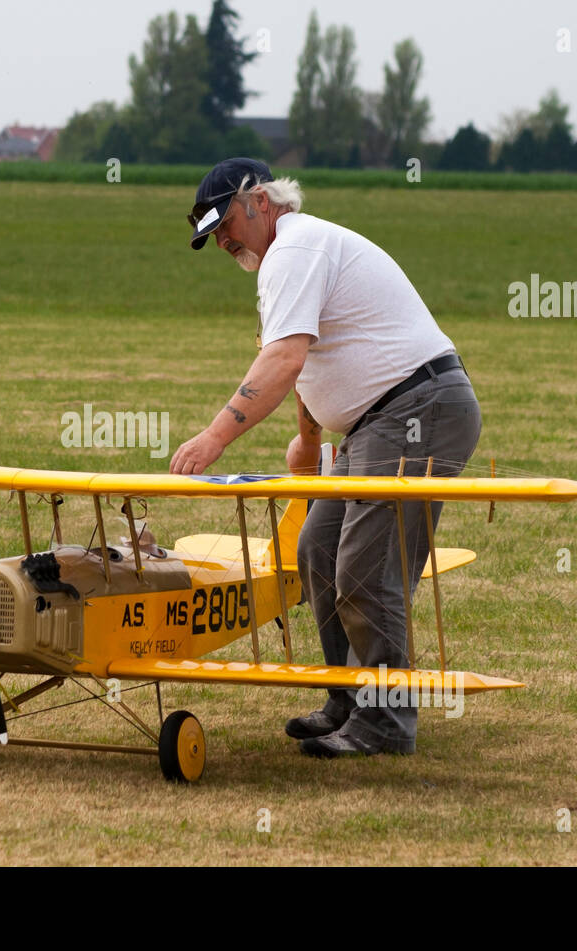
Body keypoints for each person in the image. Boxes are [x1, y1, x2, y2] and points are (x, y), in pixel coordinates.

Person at [170, 158, 481, 758]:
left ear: (259, 201)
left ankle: (385, 725)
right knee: (316, 548)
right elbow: (315, 358)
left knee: (367, 571)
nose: (224, 240)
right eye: (213, 236)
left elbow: (284, 360)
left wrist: (214, 437)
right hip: (380, 420)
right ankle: (347, 697)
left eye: (227, 223)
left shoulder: (294, 249)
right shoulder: (290, 257)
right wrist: (310, 442)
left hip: (416, 410)